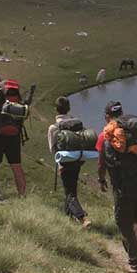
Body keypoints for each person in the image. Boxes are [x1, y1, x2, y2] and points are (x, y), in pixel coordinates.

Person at [97, 101, 137, 273]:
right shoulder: (136, 132)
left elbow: (102, 163)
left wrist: (102, 180)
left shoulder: (108, 135)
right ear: (122, 113)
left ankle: (134, 259)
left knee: (123, 220)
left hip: (123, 184)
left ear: (107, 116)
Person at [48, 96, 91, 227]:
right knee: (71, 188)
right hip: (78, 159)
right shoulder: (77, 122)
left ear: (56, 109)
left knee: (69, 191)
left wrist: (60, 162)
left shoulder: (53, 127)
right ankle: (68, 218)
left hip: (64, 162)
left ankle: (82, 218)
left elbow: (52, 149)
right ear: (69, 108)